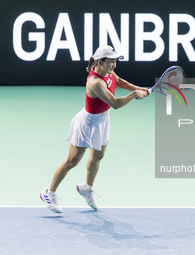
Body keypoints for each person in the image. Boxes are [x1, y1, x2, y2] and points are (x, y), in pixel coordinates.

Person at [40, 45, 150, 213]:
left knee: (98, 155)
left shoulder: (107, 71)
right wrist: (134, 95)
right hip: (87, 123)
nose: (114, 65)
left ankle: (86, 188)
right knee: (72, 161)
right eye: (111, 62)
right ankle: (49, 193)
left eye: (115, 61)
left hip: (103, 120)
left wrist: (138, 88)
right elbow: (115, 104)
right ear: (100, 61)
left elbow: (119, 82)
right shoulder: (95, 82)